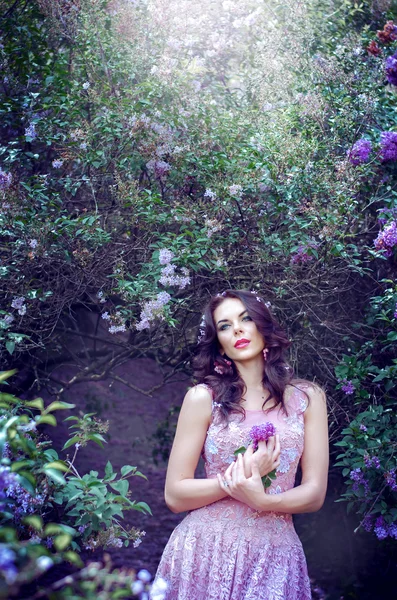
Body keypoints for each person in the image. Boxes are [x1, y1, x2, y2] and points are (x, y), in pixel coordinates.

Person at [150, 289, 329, 600]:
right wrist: (240, 477)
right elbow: (175, 495)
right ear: (219, 343)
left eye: (246, 319)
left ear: (263, 325)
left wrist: (263, 501)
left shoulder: (308, 398)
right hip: (205, 548)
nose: (237, 330)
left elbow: (314, 493)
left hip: (275, 551)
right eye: (225, 325)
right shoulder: (203, 399)